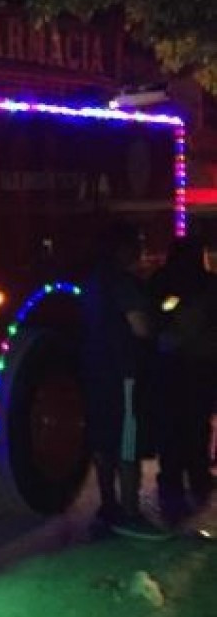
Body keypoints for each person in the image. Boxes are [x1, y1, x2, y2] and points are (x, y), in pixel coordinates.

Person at [79, 221, 165, 539]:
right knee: (127, 443)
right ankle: (130, 512)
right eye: (137, 244)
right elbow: (141, 327)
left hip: (95, 370)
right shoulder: (124, 283)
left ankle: (108, 505)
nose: (141, 250)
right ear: (124, 249)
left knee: (103, 441)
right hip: (123, 373)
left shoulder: (92, 281)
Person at [146, 235, 217, 520]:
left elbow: (153, 315)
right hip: (200, 363)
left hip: (172, 362)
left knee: (173, 426)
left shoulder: (162, 281)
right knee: (196, 423)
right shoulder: (210, 284)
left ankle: (173, 486)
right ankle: (197, 478)